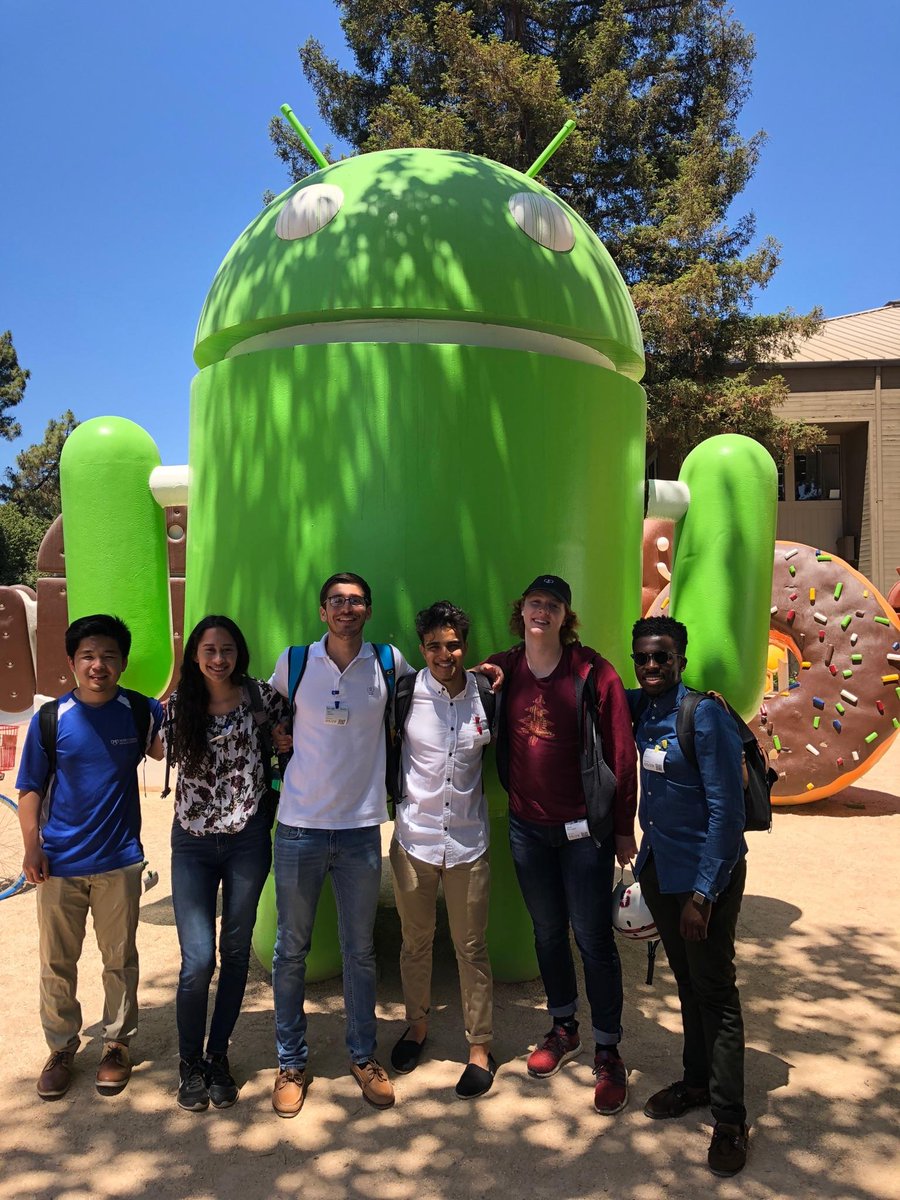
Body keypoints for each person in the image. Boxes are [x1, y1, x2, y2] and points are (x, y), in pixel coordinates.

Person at [485, 575, 637, 1115]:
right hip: (528, 829)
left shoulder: (594, 672)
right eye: (534, 603)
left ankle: (609, 1049)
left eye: (552, 605)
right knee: (547, 932)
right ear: (521, 610)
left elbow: (622, 754)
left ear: (565, 616)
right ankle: (564, 1026)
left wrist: (623, 827)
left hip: (583, 832)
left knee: (592, 937)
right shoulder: (506, 667)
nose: (542, 612)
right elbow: (474, 681)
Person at [267, 572, 412, 1116]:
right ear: (322, 611)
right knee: (290, 951)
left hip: (359, 830)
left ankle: (362, 1055)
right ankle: (290, 1062)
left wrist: (485, 674)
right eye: (336, 601)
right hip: (298, 826)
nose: (346, 608)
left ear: (368, 610)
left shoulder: (388, 662)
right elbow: (268, 714)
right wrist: (278, 735)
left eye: (356, 601)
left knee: (360, 951)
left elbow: (433, 691)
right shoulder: (294, 662)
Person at [16, 614, 164, 1100]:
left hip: (120, 860)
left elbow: (168, 750)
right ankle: (61, 1048)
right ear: (72, 662)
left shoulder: (141, 711)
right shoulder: (51, 718)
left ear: (123, 662)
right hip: (59, 863)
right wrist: (32, 846)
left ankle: (116, 1044)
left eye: (108, 656)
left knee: (120, 959)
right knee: (57, 962)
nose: (98, 665)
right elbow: (30, 788)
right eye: (88, 656)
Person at [629, 615, 749, 1178]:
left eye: (662, 657)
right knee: (688, 984)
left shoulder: (702, 715)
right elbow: (588, 685)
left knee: (716, 992)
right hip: (660, 871)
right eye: (643, 658)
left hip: (705, 879)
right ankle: (696, 1082)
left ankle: (730, 1120)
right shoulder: (643, 707)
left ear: (680, 658)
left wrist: (703, 896)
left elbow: (727, 812)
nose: (651, 666)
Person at [163, 615, 289, 1113]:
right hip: (192, 842)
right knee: (197, 960)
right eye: (210, 650)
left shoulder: (262, 698)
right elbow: (153, 747)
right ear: (195, 655)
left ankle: (218, 1056)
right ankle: (189, 1062)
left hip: (247, 840)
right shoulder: (179, 705)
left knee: (236, 951)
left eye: (228, 649)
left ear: (240, 653)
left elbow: (295, 734)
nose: (219, 659)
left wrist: (284, 740)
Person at [388, 601, 496, 1099]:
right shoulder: (405, 693)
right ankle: (417, 1026)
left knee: (471, 947)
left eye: (452, 645)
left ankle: (480, 1047)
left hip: (469, 842)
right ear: (422, 648)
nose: (443, 654)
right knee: (415, 942)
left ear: (465, 647)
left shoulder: (485, 694)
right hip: (415, 839)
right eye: (434, 645)